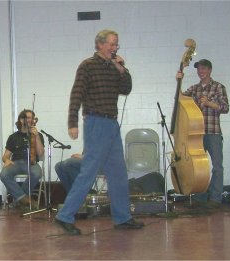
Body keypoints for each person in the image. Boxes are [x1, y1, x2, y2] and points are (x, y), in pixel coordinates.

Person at [55, 29, 144, 235]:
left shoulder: (114, 67)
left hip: (112, 124)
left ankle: (123, 218)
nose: (115, 48)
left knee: (118, 174)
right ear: (100, 44)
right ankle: (65, 216)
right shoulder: (88, 65)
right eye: (112, 44)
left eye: (116, 44)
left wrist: (122, 68)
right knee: (89, 172)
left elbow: (126, 88)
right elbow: (76, 93)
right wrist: (72, 122)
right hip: (95, 122)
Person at [175, 58, 229, 209]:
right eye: (199, 69)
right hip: (196, 134)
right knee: (198, 167)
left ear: (210, 70)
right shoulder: (194, 89)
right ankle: (200, 197)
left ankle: (216, 198)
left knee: (217, 166)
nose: (201, 72)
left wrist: (210, 103)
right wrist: (179, 81)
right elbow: (179, 99)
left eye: (204, 69)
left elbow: (225, 108)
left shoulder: (219, 87)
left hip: (213, 132)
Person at [0, 109, 44, 208]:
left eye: (31, 118)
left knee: (37, 173)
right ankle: (25, 199)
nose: (30, 120)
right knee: (4, 174)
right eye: (27, 118)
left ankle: (19, 199)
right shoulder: (13, 137)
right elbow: (5, 156)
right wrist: (6, 160)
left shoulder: (38, 135)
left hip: (32, 162)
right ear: (21, 120)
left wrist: (36, 136)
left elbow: (41, 154)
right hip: (16, 163)